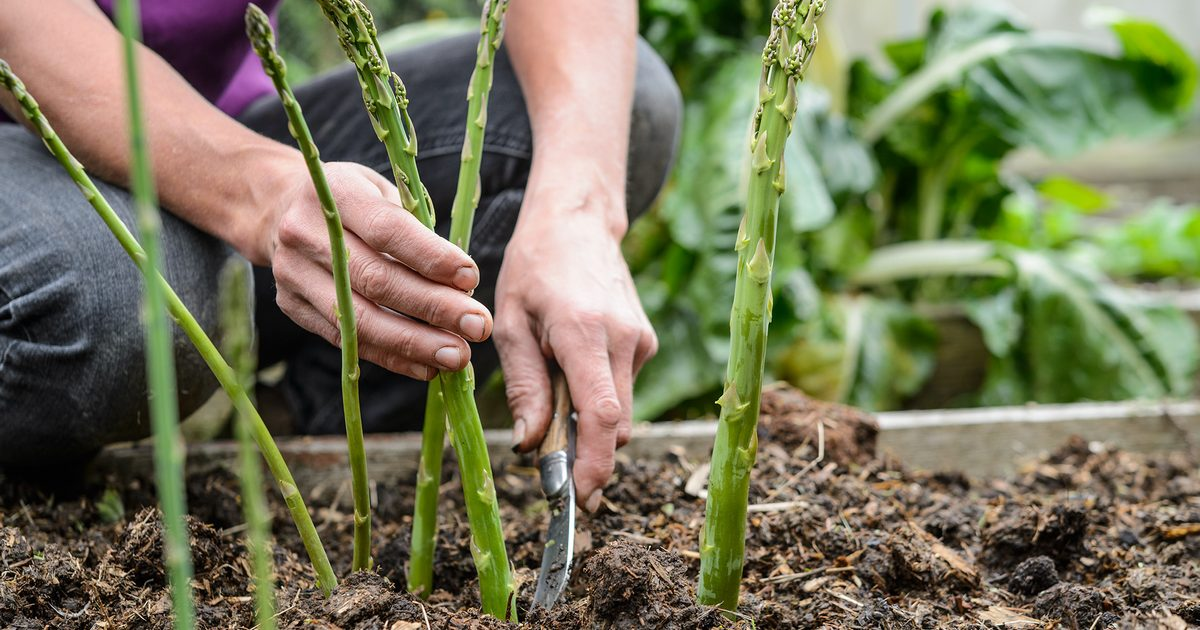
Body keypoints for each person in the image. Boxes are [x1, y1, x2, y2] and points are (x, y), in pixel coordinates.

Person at [0, 0, 681, 513]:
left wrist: (577, 210)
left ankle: (288, 438)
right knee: (115, 303)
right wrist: (259, 193)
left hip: (220, 123)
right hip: (27, 141)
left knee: (607, 115)